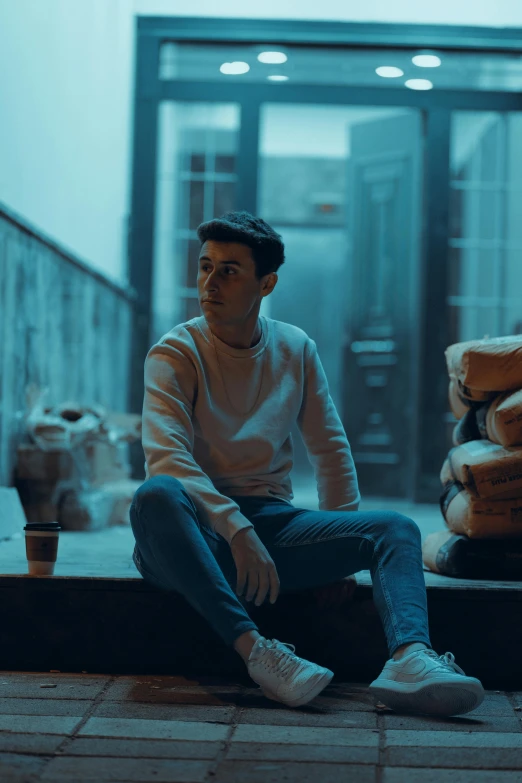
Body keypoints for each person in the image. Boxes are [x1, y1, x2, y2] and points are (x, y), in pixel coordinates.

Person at [130, 211, 484, 716]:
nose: (209, 283)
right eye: (205, 266)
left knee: (397, 529)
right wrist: (235, 528)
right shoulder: (174, 352)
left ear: (265, 283)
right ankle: (260, 652)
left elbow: (329, 446)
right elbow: (167, 458)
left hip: (272, 526)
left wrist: (337, 554)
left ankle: (411, 659)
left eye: (229, 270)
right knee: (155, 495)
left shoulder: (295, 347)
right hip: (193, 535)